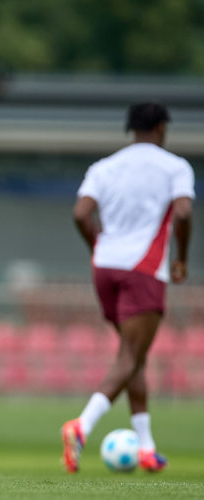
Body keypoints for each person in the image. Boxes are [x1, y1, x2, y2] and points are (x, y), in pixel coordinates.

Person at [63, 102, 194, 473]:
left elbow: (80, 213)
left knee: (131, 354)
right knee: (131, 355)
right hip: (144, 269)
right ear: (162, 128)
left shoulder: (103, 167)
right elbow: (182, 212)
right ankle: (82, 426)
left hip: (104, 268)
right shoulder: (175, 167)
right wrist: (181, 257)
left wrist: (98, 246)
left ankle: (146, 448)